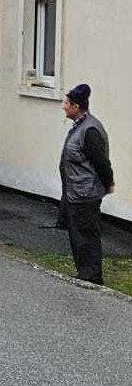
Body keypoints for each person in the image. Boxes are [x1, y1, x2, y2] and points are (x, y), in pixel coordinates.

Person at [59, 84, 115, 285]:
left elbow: (101, 162)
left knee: (86, 234)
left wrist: (108, 182)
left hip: (85, 193)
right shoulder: (80, 126)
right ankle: (85, 273)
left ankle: (92, 276)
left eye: (67, 103)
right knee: (78, 235)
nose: (64, 107)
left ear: (76, 106)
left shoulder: (90, 129)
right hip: (76, 191)